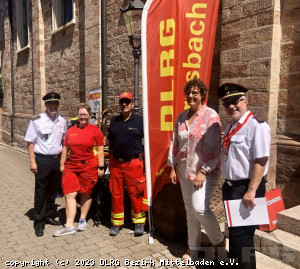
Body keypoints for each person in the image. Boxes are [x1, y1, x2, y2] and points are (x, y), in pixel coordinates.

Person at [167, 78, 225, 262]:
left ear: (202, 95)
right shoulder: (181, 116)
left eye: (195, 93)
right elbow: (175, 142)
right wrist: (173, 167)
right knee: (189, 210)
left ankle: (218, 241)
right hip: (184, 169)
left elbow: (215, 146)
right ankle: (193, 247)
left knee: (199, 208)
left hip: (205, 172)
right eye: (189, 93)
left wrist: (204, 170)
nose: (191, 96)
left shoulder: (211, 116)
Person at [218, 83, 271, 269]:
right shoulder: (233, 125)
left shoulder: (256, 125)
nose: (231, 106)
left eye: (235, 101)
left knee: (244, 239)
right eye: (226, 103)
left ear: (245, 101)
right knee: (233, 233)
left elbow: (261, 160)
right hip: (231, 188)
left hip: (248, 188)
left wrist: (251, 190)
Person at [53, 103, 105, 237]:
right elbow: (65, 148)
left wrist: (101, 166)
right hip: (71, 166)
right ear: (77, 115)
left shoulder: (95, 130)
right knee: (70, 194)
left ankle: (82, 218)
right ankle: (69, 225)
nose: (82, 117)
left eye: (85, 114)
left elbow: (100, 149)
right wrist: (62, 163)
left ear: (89, 115)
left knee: (86, 192)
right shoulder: (70, 130)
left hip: (88, 166)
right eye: (80, 114)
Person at [24, 92, 67, 237]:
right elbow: (30, 142)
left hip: (56, 160)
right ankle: (39, 222)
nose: (52, 106)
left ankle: (49, 215)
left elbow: (64, 142)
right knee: (41, 191)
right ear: (45, 105)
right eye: (49, 103)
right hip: (42, 160)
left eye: (55, 103)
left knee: (52, 190)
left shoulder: (62, 121)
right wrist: (32, 161)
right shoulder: (37, 120)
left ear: (58, 104)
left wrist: (62, 161)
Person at [108, 91, 146, 236]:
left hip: (133, 163)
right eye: (122, 102)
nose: (124, 104)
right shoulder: (114, 120)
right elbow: (110, 141)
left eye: (127, 102)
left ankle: (138, 223)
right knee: (116, 193)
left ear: (132, 104)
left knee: (136, 193)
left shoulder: (140, 121)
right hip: (116, 163)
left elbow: (147, 142)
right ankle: (117, 223)